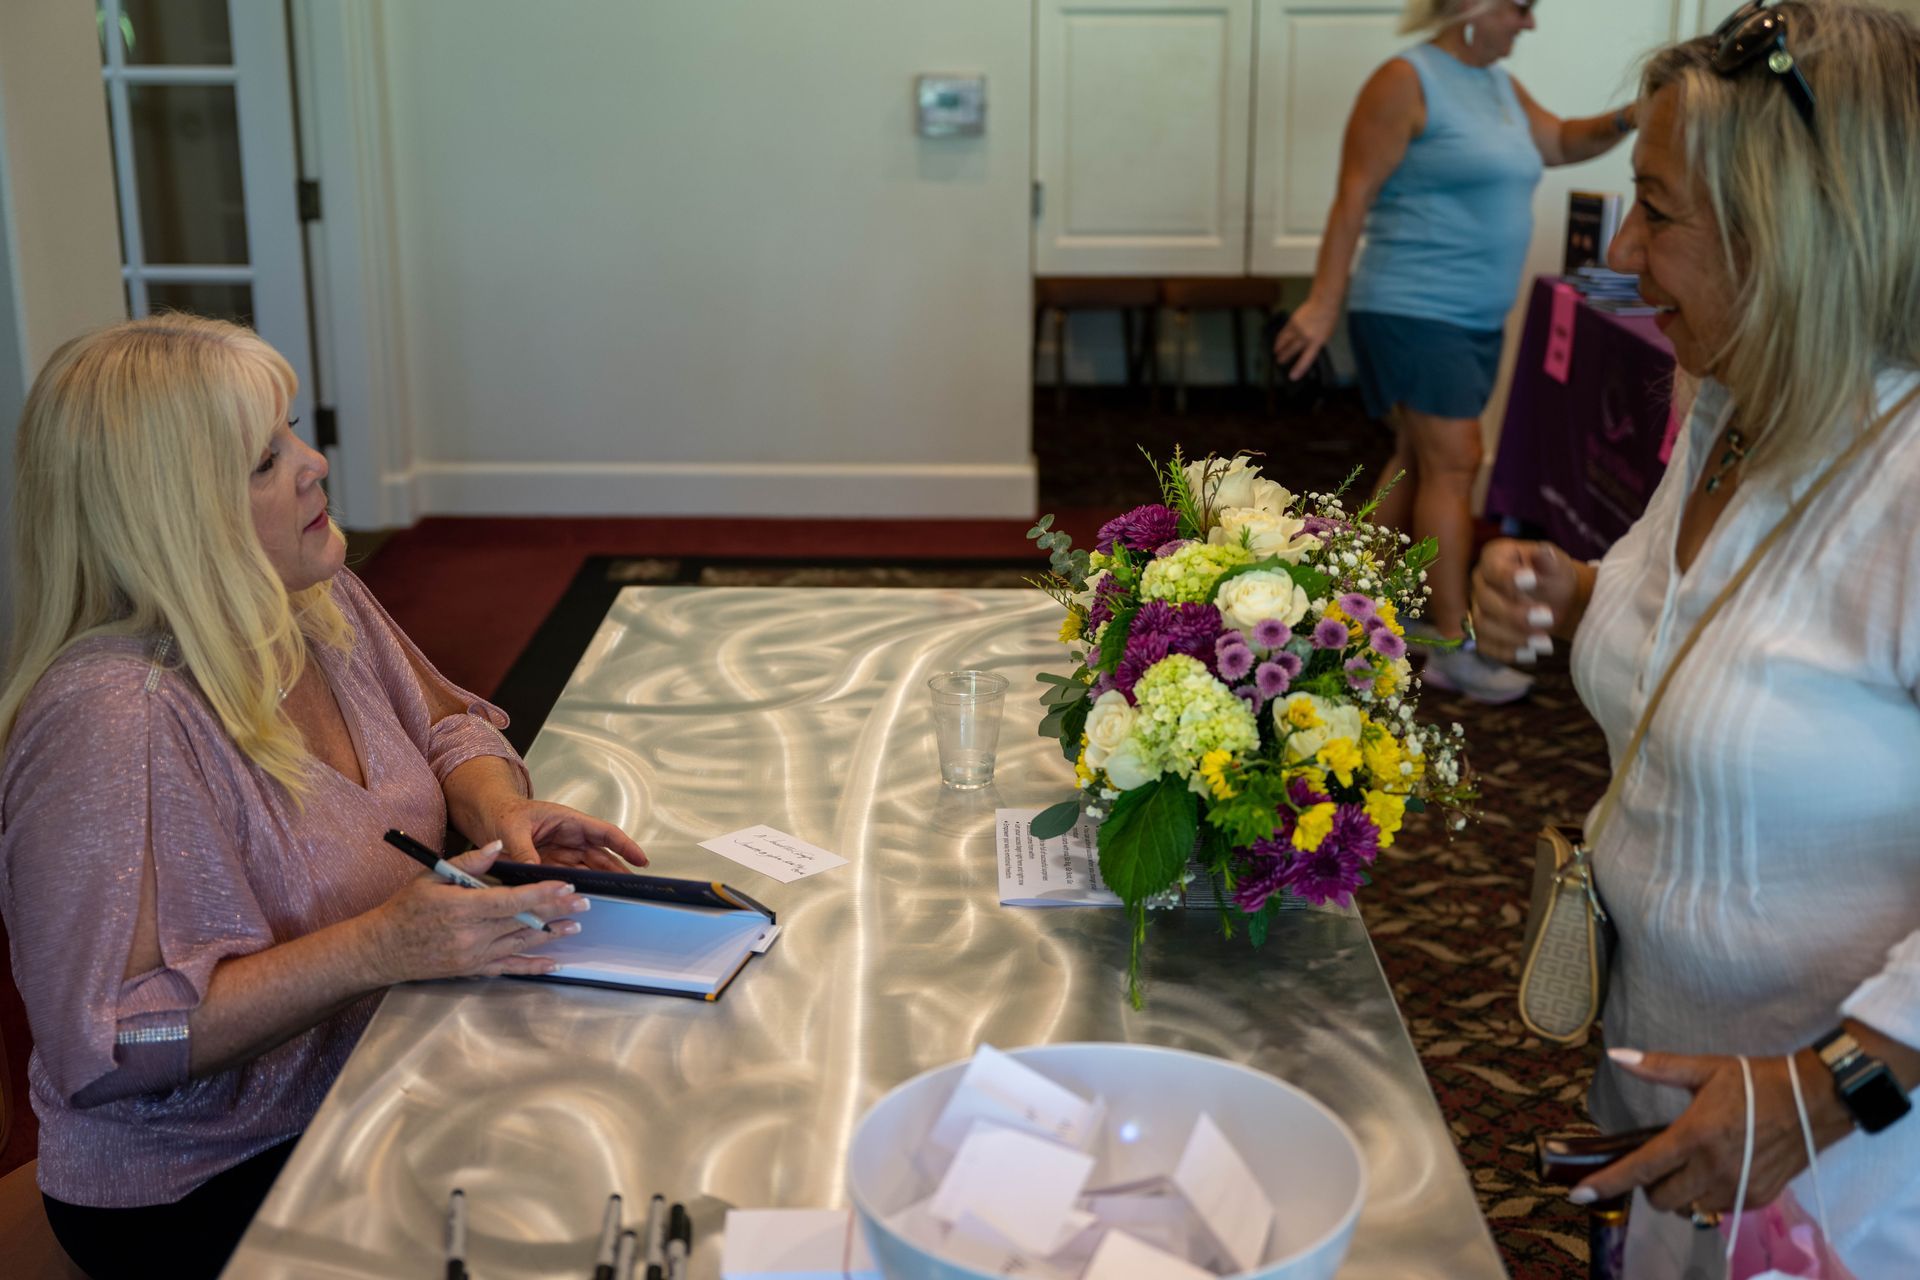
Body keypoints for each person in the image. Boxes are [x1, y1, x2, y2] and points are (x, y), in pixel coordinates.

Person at [0, 314, 652, 1279]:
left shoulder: (307, 592)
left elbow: (447, 728)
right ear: (172, 513)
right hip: (210, 1175)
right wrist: (385, 944)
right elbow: (110, 1046)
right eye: (265, 462)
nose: (314, 464)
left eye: (293, 433)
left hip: (383, 1062)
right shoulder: (112, 720)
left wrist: (496, 814)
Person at [1471, 3, 1920, 1272]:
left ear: (1799, 233)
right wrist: (1567, 589)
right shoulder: (1729, 402)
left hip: (1850, 1183)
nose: (1623, 247)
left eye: (1659, 213)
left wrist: (1828, 1088)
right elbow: (1694, 615)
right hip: (1680, 1121)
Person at [1274, 0, 1635, 703]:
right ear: (1471, 6)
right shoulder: (1405, 80)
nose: (1528, 25)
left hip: (1472, 315)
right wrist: (1322, 301)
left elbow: (1559, 142)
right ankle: (1448, 643)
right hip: (1412, 306)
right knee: (1457, 459)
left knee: (1418, 459)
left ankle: (1341, 602)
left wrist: (1632, 116)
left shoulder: (1498, 87)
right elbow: (1353, 197)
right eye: (1519, 9)